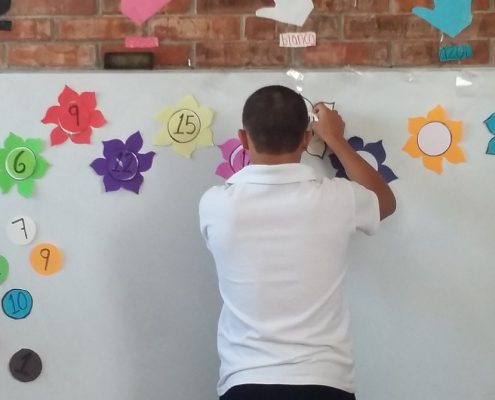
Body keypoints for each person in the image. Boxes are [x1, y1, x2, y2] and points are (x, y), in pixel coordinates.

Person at [199, 85, 396, 400]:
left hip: (245, 381)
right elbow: (384, 200)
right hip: (325, 380)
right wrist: (335, 139)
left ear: (243, 139)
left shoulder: (215, 204)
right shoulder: (337, 199)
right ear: (306, 138)